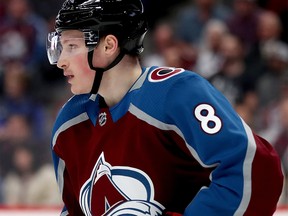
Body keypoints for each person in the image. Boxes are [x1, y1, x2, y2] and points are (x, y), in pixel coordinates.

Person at [46, 0, 283, 215]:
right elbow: (75, 209)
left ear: (109, 45)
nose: (61, 60)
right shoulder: (69, 124)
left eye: (71, 46)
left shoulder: (177, 93)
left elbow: (254, 169)